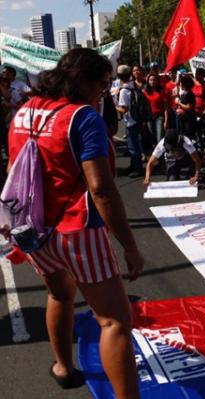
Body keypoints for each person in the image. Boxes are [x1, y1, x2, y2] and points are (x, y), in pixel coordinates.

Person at [7, 48, 143, 398]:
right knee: (114, 320)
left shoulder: (26, 109)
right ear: (82, 80)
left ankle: (63, 366)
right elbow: (101, 189)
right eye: (102, 83)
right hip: (77, 228)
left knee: (59, 293)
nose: (104, 90)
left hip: (32, 228)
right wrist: (129, 245)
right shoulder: (82, 117)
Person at [115, 64, 144, 177]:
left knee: (133, 147)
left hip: (131, 121)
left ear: (119, 76)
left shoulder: (124, 90)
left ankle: (137, 169)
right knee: (135, 144)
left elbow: (124, 109)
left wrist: (114, 106)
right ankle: (134, 166)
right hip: (137, 119)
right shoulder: (133, 85)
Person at [192, 68, 205, 163]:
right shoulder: (193, 85)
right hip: (195, 112)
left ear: (203, 75)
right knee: (197, 134)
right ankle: (200, 152)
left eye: (199, 74)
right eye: (196, 74)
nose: (196, 76)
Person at [143, 72, 167, 145]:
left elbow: (165, 107)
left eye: (154, 80)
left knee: (159, 137)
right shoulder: (145, 92)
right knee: (152, 136)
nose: (152, 81)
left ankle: (160, 154)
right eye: (151, 80)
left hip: (159, 117)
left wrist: (166, 120)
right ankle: (156, 154)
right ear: (148, 81)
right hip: (149, 117)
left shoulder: (161, 92)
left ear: (157, 81)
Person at [175, 74, 196, 141]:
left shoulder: (189, 94)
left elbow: (189, 107)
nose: (180, 84)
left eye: (181, 82)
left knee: (188, 138)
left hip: (188, 119)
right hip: (182, 119)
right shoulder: (184, 93)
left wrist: (179, 103)